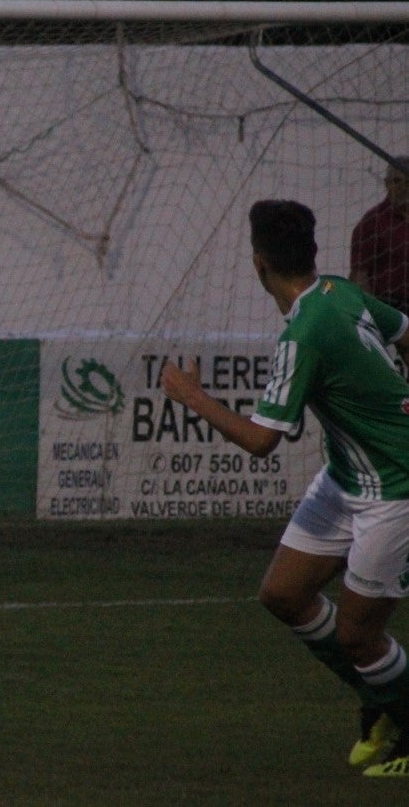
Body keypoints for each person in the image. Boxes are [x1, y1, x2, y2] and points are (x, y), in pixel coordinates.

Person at [161, 199, 409, 778]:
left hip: (395, 487)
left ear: (258, 265)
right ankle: (386, 699)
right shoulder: (339, 292)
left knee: (358, 634)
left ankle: (402, 716)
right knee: (282, 595)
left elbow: (261, 441)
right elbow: (406, 331)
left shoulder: (304, 332)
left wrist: (193, 397)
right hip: (348, 476)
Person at [350, 156, 409, 313]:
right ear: (386, 184)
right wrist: (373, 316)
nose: (403, 187)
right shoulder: (373, 222)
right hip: (389, 309)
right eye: (397, 181)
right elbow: (359, 275)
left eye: (408, 182)